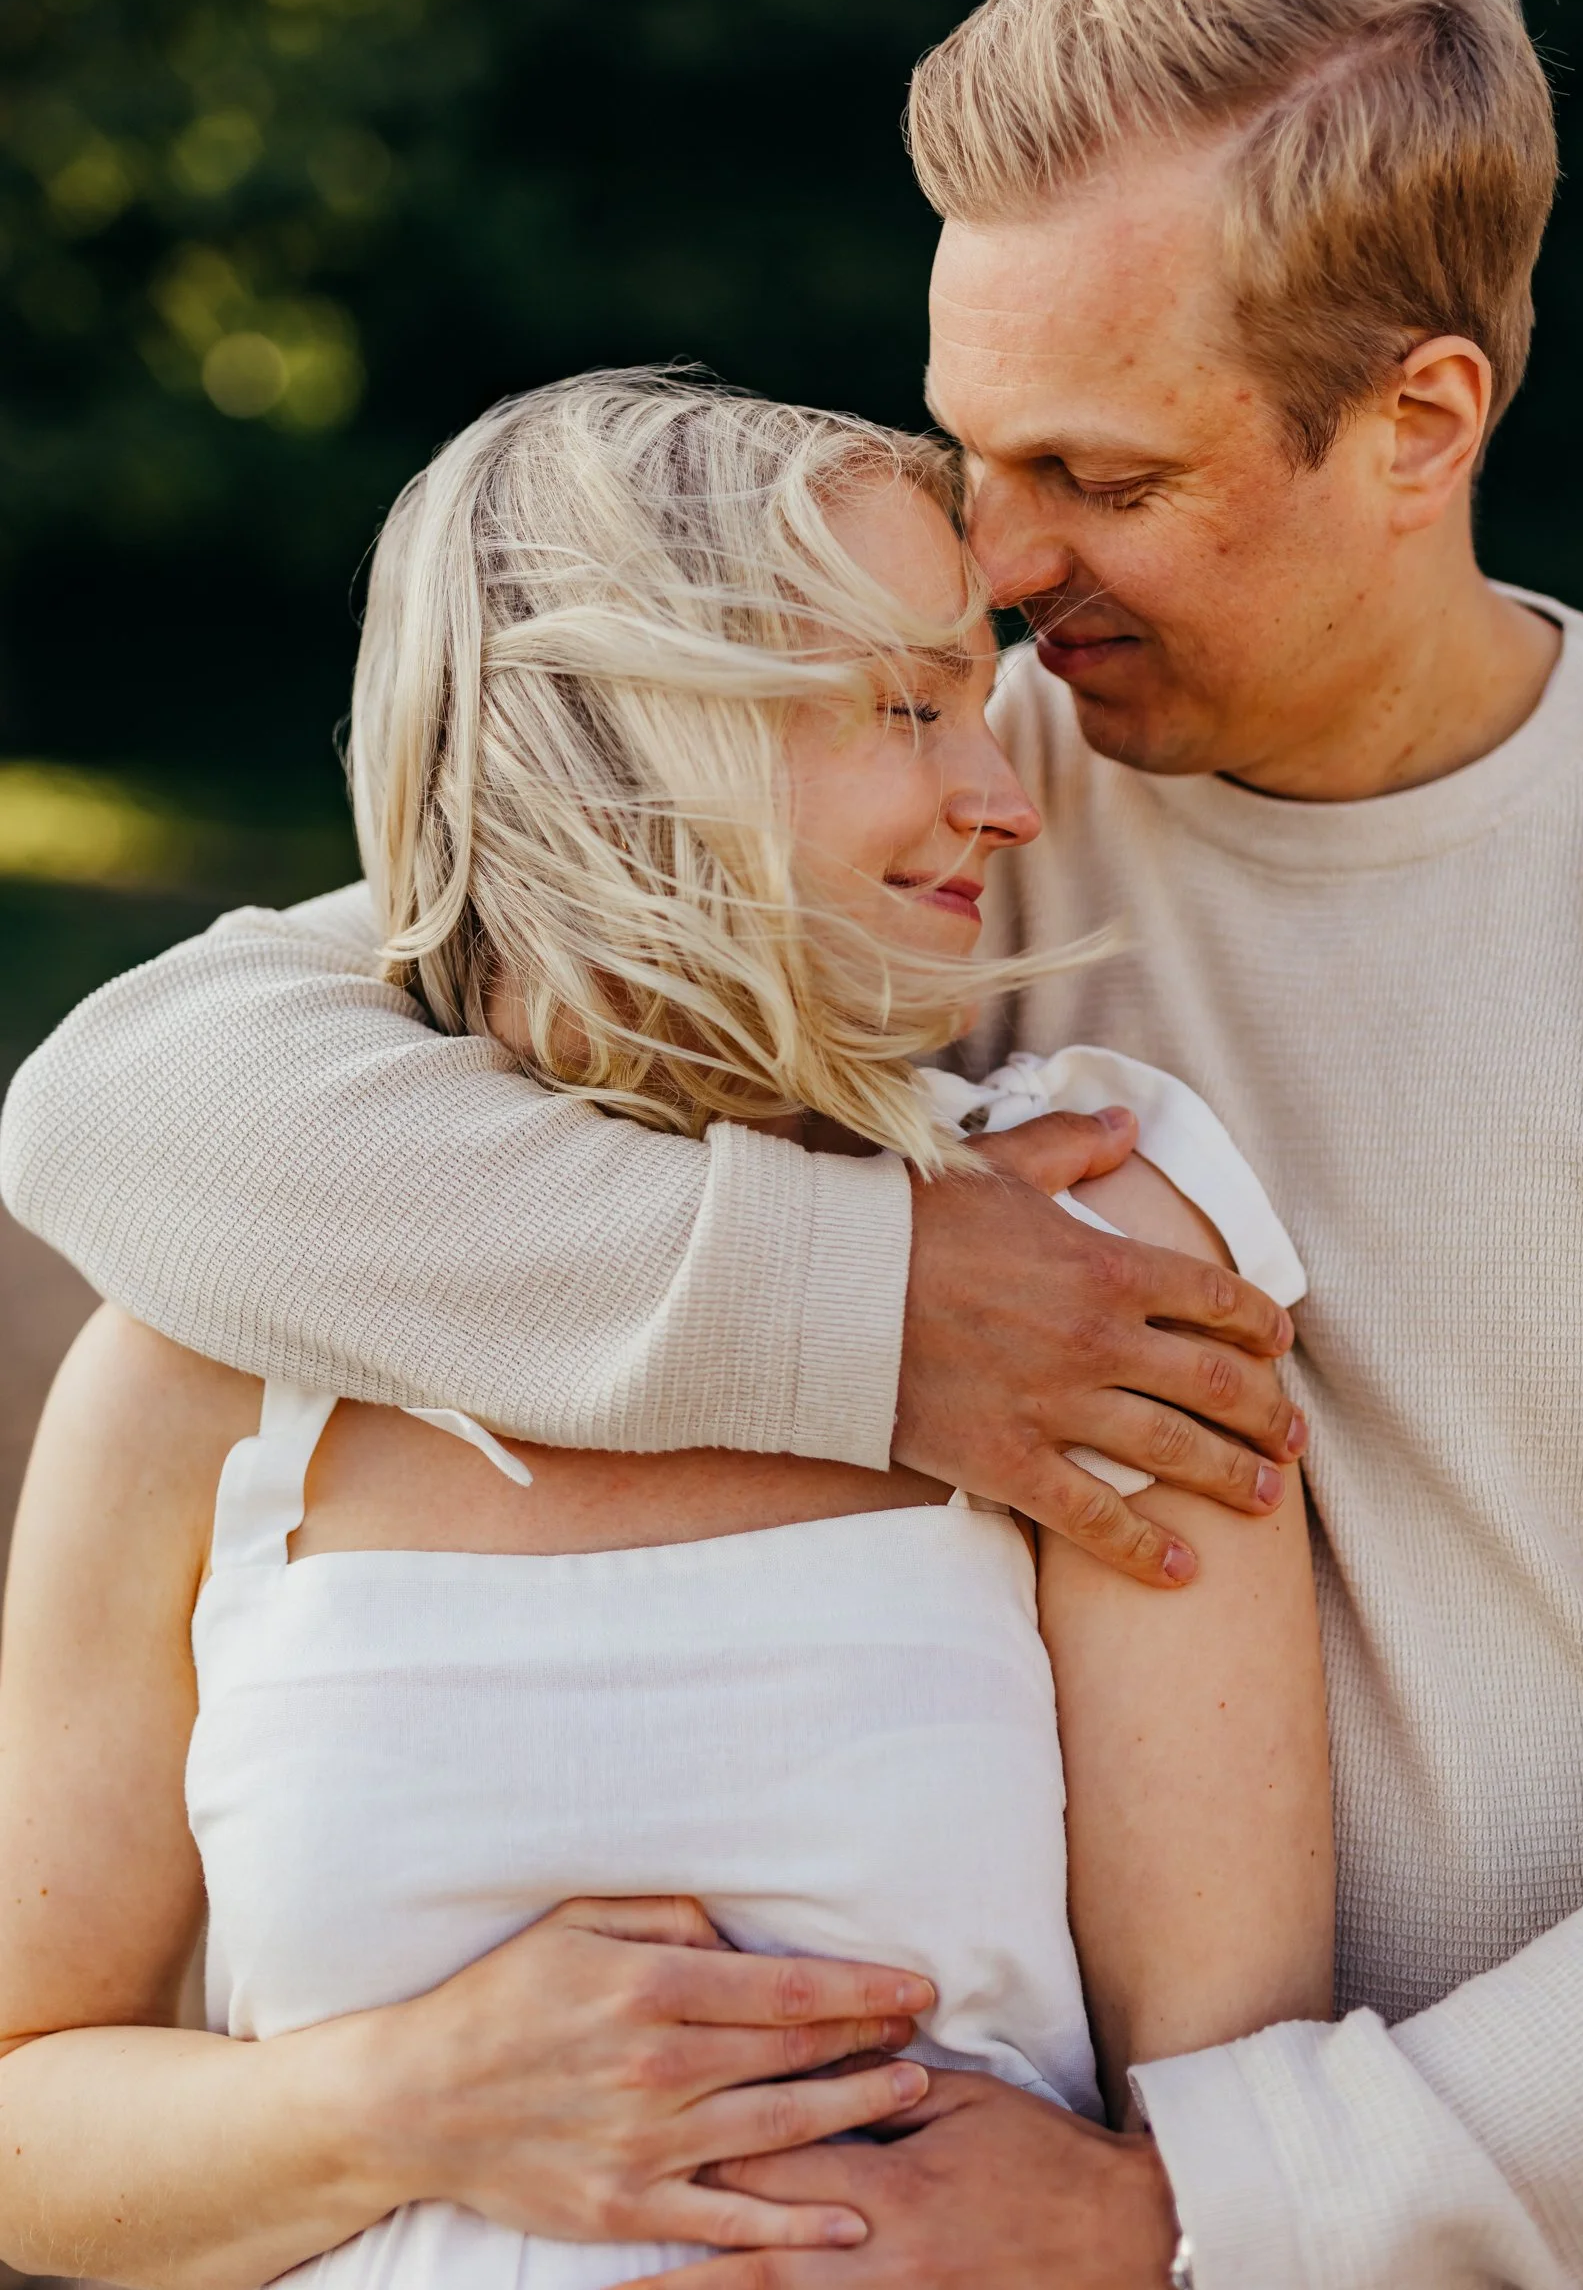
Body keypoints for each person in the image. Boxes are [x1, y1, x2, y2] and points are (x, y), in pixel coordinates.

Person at [3, 0, 1583, 2285]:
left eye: (1103, 473)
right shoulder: (909, 823)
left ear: (1416, 424)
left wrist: (1213, 2208)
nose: (1005, 558)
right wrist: (847, 1302)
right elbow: (140, 1111)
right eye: (974, 449)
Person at [0, 374, 1331, 2288]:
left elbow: (1238, 2118)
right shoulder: (210, 1345)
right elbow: (34, 2112)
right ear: (632, 745)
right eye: (907, 707)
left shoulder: (1083, 1274)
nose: (1005, 795)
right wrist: (405, 2102)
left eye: (981, 697)